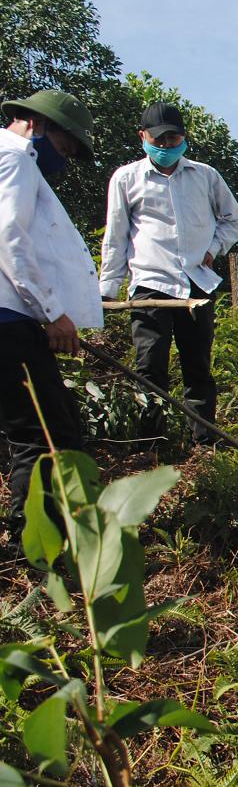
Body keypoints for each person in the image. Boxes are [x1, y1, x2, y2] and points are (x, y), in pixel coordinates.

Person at [99, 102, 238, 444]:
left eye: (173, 138)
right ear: (143, 137)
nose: (166, 146)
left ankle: (204, 441)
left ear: (183, 138)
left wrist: (212, 248)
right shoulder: (127, 178)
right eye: (159, 139)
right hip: (150, 284)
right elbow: (116, 236)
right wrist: (108, 287)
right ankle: (150, 442)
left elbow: (233, 219)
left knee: (198, 365)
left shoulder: (205, 176)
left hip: (196, 284)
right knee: (150, 366)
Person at [0, 89, 102, 537]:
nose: (59, 160)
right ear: (37, 125)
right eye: (62, 149)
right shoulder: (16, 159)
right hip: (8, 320)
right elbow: (10, 238)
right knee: (45, 435)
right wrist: (54, 312)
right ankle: (36, 545)